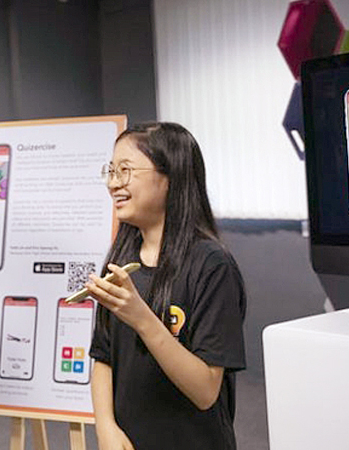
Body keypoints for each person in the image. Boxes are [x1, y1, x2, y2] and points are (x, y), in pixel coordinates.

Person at [87, 122, 247, 450]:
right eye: (111, 170)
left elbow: (205, 392)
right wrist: (105, 427)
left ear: (170, 175)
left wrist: (143, 319)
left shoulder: (211, 265)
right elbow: (102, 355)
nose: (113, 183)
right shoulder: (122, 257)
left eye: (126, 170)